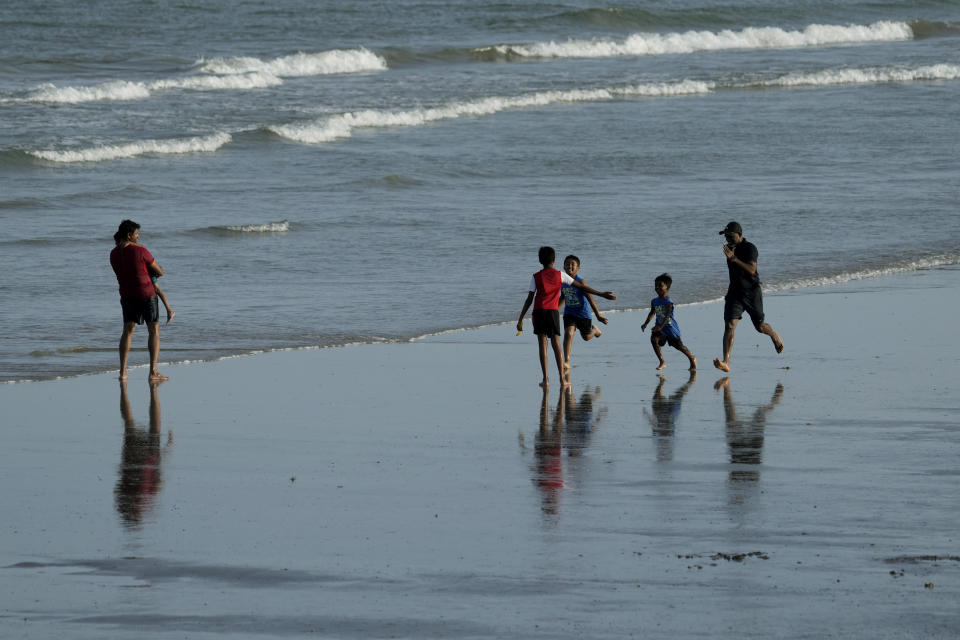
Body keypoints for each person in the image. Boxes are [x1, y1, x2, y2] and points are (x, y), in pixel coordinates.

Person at [517, 246, 616, 389]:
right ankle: (563, 380)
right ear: (554, 260)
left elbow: (529, 299)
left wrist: (520, 318)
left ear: (540, 261)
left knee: (542, 345)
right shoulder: (560, 275)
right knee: (556, 344)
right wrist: (602, 294)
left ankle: (546, 380)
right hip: (552, 312)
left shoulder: (535, 276)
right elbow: (582, 287)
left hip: (538, 313)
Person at [713, 221, 784, 373]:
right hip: (735, 293)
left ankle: (773, 334)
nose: (728, 239)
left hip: (752, 292)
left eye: (731, 236)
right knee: (730, 325)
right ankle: (726, 361)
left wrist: (734, 259)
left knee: (760, 327)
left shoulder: (750, 248)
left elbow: (752, 269)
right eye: (726, 236)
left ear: (740, 235)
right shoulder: (730, 249)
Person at [110, 220, 169, 381]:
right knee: (154, 330)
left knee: (127, 332)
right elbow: (159, 271)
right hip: (146, 294)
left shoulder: (113, 253)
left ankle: (122, 373)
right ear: (129, 235)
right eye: (136, 234)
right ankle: (153, 372)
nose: (138, 236)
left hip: (127, 295)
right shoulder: (140, 250)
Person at [560, 254, 608, 373]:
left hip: (583, 313)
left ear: (578, 268)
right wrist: (553, 309)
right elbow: (563, 296)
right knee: (568, 333)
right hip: (569, 312)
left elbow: (590, 298)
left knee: (586, 337)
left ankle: (595, 330)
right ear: (563, 266)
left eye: (573, 264)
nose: (569, 266)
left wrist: (598, 314)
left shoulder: (580, 281)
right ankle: (567, 360)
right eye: (567, 264)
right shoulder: (562, 281)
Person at [641, 273, 697, 370]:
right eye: (656, 286)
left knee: (679, 346)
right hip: (659, 328)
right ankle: (662, 362)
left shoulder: (668, 301)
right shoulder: (654, 301)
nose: (657, 288)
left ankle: (692, 358)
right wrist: (645, 323)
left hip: (670, 329)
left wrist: (660, 326)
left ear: (667, 287)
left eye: (660, 285)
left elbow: (667, 316)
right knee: (654, 339)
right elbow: (652, 313)